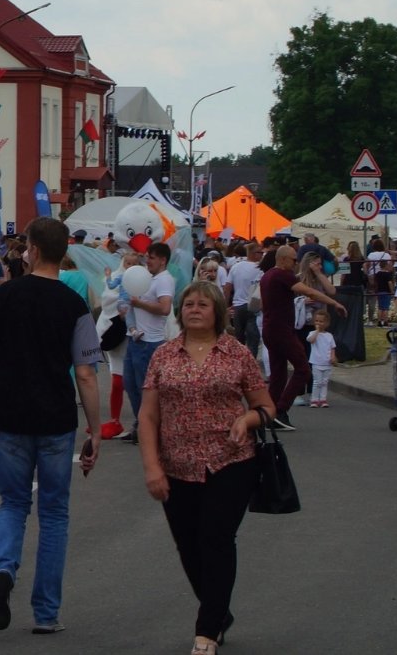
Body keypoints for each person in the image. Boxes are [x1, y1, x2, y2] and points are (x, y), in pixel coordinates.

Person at [0, 216, 102, 637]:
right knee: (55, 513)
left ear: (33, 251)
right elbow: (86, 373)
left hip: (10, 416)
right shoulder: (74, 305)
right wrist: (95, 429)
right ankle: (46, 611)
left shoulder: (6, 297)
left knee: (12, 504)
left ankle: (3, 571)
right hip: (57, 418)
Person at [139, 280, 275, 655]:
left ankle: (207, 631)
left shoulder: (237, 354)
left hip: (230, 461)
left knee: (216, 540)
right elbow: (148, 417)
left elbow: (266, 407)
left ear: (217, 310)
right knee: (188, 546)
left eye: (202, 304)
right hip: (177, 465)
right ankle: (218, 610)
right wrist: (152, 467)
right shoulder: (163, 356)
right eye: (188, 304)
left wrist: (247, 420)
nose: (194, 309)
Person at [260, 246, 343, 429]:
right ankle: (280, 410)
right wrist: (334, 303)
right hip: (281, 330)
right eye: (293, 260)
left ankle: (269, 414)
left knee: (278, 375)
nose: (296, 263)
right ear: (282, 259)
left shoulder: (267, 276)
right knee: (303, 369)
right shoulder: (282, 275)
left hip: (270, 329)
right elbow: (310, 292)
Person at [122, 242, 176, 444]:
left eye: (151, 258)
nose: (148, 261)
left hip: (150, 342)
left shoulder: (164, 280)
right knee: (131, 384)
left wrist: (139, 303)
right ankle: (142, 424)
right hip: (136, 338)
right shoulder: (149, 278)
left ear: (162, 260)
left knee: (144, 388)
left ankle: (149, 428)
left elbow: (164, 308)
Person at [306, 309, 337, 408]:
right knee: (317, 382)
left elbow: (332, 347)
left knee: (324, 382)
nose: (318, 323)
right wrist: (317, 331)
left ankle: (323, 399)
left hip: (326, 363)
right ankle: (314, 399)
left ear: (327, 323)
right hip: (316, 362)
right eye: (316, 321)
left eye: (321, 321)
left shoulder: (329, 336)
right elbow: (311, 340)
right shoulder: (312, 333)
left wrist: (332, 357)